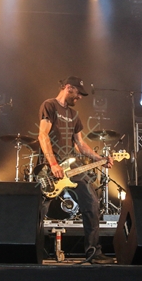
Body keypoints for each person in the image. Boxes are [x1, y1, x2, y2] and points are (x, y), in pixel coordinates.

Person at [37, 76, 114, 264]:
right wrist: (53, 164)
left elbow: (80, 143)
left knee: (92, 202)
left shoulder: (74, 115)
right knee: (39, 208)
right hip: (51, 166)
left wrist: (99, 159)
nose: (79, 97)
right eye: (78, 93)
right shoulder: (49, 105)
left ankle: (93, 252)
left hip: (71, 165)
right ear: (68, 87)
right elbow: (43, 135)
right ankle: (33, 250)